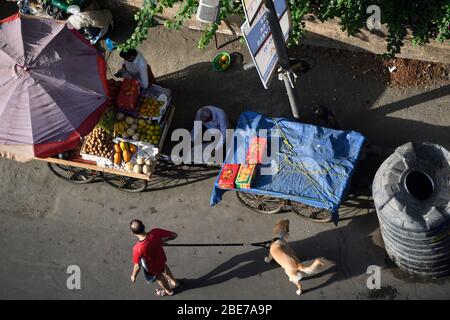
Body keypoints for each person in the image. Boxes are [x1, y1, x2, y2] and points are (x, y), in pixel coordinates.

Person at [129, 219, 181, 297]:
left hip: (152, 269)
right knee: (164, 268)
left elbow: (137, 265)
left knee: (159, 277)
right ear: (144, 226)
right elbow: (174, 235)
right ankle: (174, 282)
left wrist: (133, 276)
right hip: (161, 260)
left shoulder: (137, 249)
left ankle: (169, 291)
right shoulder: (155, 232)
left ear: (133, 233)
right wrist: (161, 240)